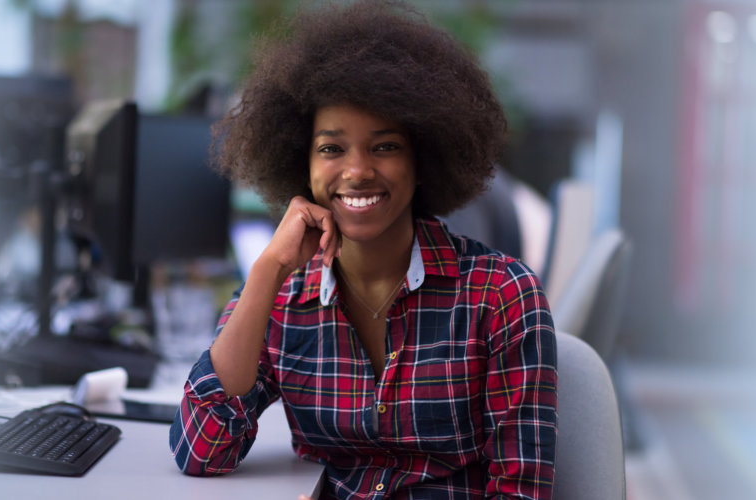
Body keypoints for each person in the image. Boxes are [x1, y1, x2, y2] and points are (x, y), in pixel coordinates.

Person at [168, 1, 556, 499]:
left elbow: (520, 492)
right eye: (331, 148)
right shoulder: (282, 299)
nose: (356, 171)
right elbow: (203, 450)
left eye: (385, 147)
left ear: (423, 158)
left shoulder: (499, 295)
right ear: (301, 163)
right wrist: (269, 267)